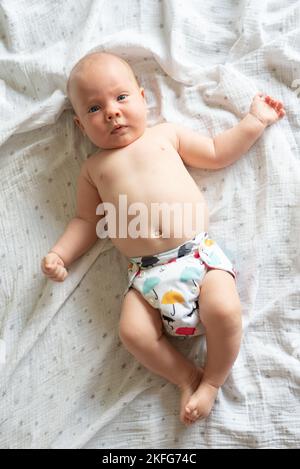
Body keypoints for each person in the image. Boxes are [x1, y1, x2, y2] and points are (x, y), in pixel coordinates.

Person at [41, 51, 286, 425]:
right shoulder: (93, 169)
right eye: (94, 108)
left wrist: (253, 122)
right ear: (79, 125)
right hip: (145, 276)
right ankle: (186, 376)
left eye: (121, 97)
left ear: (142, 96)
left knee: (223, 309)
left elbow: (218, 152)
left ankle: (212, 382)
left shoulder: (165, 135)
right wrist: (61, 254)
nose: (111, 112)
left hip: (198, 258)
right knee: (132, 332)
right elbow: (86, 221)